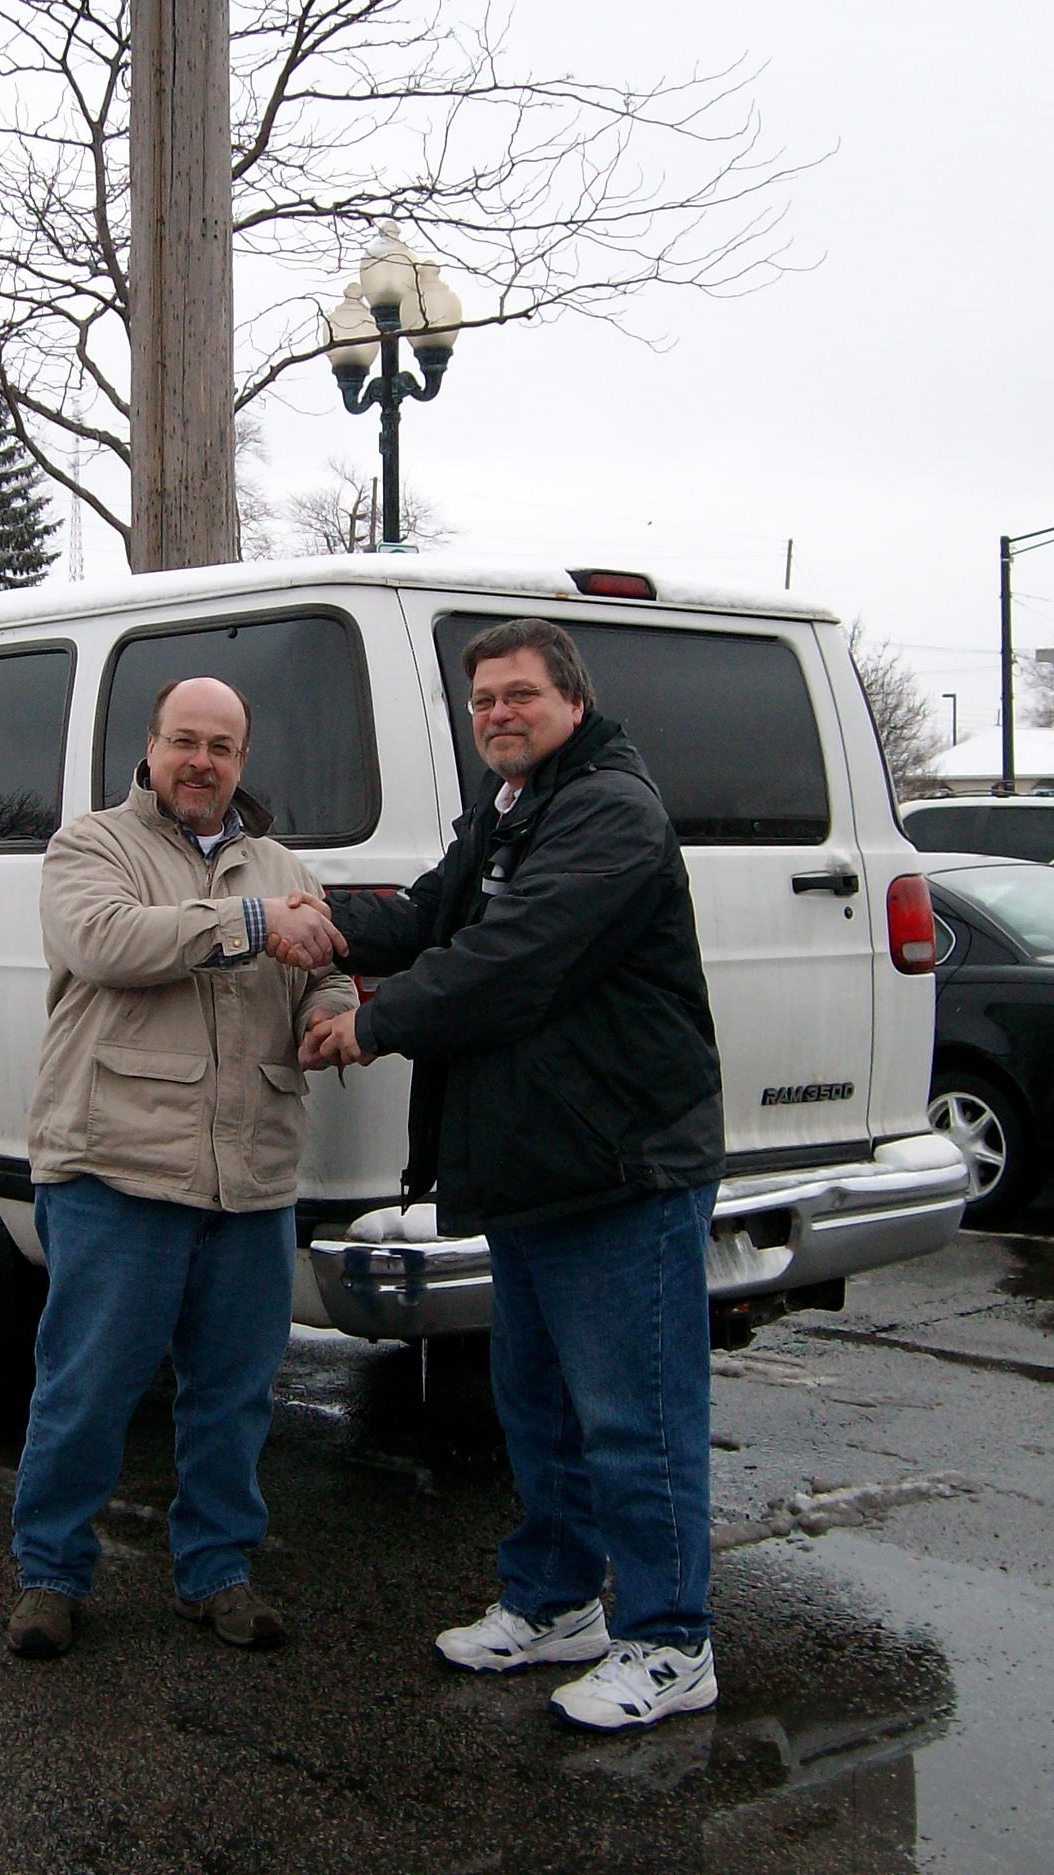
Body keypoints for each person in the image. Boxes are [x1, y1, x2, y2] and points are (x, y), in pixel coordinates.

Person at [299, 617, 726, 1733]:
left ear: (571, 703)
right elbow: (425, 915)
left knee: (635, 1417)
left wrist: (374, 1022)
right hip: (540, 1164)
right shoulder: (511, 811)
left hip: (621, 1165)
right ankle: (554, 1602)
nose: (497, 711)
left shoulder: (608, 814)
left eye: (519, 693)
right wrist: (316, 923)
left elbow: (509, 959)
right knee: (536, 1406)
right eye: (482, 697)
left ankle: (672, 1642)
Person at [7, 676, 356, 1659]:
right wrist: (254, 925)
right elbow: (105, 940)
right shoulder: (91, 847)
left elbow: (321, 957)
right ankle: (48, 1574)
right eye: (184, 742)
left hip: (246, 1178)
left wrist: (332, 1006)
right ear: (150, 749)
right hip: (116, 1166)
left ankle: (216, 1573)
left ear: (244, 762)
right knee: (87, 1384)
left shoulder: (281, 862)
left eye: (223, 747)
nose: (202, 762)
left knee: (235, 1392)